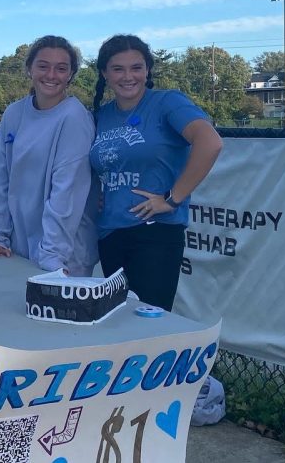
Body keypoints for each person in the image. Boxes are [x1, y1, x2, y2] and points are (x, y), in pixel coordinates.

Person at [89, 34, 222, 309]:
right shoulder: (101, 115)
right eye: (118, 69)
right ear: (105, 73)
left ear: (147, 70)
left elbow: (210, 142)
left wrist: (172, 198)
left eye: (136, 67)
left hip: (154, 234)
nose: (128, 76)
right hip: (110, 234)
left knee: (148, 325)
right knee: (116, 323)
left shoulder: (166, 103)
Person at [0, 35, 98, 276]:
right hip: (16, 249)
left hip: (63, 256)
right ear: (29, 69)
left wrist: (53, 256)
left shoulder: (74, 118)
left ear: (71, 75)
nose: (51, 75)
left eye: (61, 68)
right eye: (43, 66)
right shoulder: (14, 113)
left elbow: (66, 194)